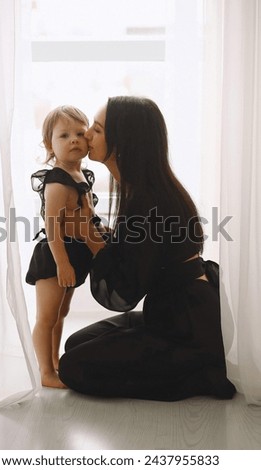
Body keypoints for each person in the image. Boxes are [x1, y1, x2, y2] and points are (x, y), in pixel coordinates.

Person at [58, 96, 236, 401]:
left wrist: (89, 237)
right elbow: (134, 252)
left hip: (184, 327)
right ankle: (184, 363)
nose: (87, 135)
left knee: (73, 367)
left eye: (97, 130)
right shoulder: (142, 189)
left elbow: (124, 292)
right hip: (171, 313)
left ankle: (198, 374)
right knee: (76, 343)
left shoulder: (147, 201)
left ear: (123, 143)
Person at [25, 105, 102, 388]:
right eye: (64, 135)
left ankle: (56, 361)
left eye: (80, 133)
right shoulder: (57, 183)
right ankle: (45, 372)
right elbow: (54, 226)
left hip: (74, 252)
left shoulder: (81, 175)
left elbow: (86, 216)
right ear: (50, 145)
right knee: (46, 316)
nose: (73, 140)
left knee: (61, 313)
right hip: (56, 256)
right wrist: (63, 263)